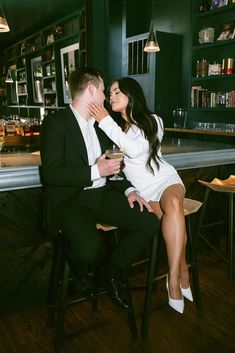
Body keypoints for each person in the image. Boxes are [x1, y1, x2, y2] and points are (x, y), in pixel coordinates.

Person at [40, 68, 159, 310]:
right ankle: (79, 272)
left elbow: (114, 167)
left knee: (148, 222)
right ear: (92, 90)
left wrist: (129, 190)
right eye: (103, 90)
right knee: (90, 248)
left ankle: (112, 272)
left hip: (103, 195)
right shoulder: (55, 122)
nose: (105, 96)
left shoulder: (103, 125)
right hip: (70, 200)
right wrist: (96, 171)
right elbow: (51, 174)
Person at [88, 77, 193, 314]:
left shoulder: (152, 121)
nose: (110, 97)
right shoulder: (114, 131)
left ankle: (173, 277)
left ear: (130, 94)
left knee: (174, 204)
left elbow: (137, 149)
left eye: (116, 93)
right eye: (110, 93)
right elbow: (114, 165)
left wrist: (104, 120)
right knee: (171, 220)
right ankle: (183, 267)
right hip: (145, 191)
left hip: (165, 180)